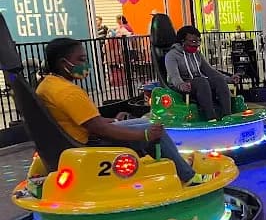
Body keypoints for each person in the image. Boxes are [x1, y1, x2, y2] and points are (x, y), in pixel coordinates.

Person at [36, 38, 211, 186]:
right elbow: (101, 129)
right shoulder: (69, 93)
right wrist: (145, 135)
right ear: (63, 63)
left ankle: (175, 162)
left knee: (146, 121)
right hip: (87, 146)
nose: (85, 64)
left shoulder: (48, 85)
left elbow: (88, 121)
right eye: (81, 60)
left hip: (76, 138)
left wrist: (111, 121)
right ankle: (188, 177)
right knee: (156, 131)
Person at [165, 26, 238, 121]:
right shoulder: (171, 55)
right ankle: (211, 118)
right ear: (182, 41)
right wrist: (181, 84)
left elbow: (210, 71)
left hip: (199, 83)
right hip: (181, 84)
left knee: (218, 80)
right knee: (202, 81)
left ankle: (227, 116)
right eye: (193, 41)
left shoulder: (197, 54)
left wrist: (228, 79)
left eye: (198, 41)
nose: (196, 45)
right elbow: (174, 76)